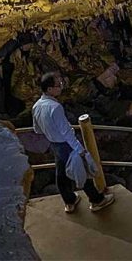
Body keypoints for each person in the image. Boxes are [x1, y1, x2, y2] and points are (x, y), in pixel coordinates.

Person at [32, 72, 115, 213]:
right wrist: (80, 149)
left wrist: (51, 132)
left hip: (54, 145)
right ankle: (97, 200)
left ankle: (69, 201)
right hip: (66, 145)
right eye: (58, 85)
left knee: (61, 174)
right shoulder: (55, 107)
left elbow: (37, 129)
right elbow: (66, 132)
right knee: (82, 171)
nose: (61, 87)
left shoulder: (36, 106)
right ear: (50, 89)